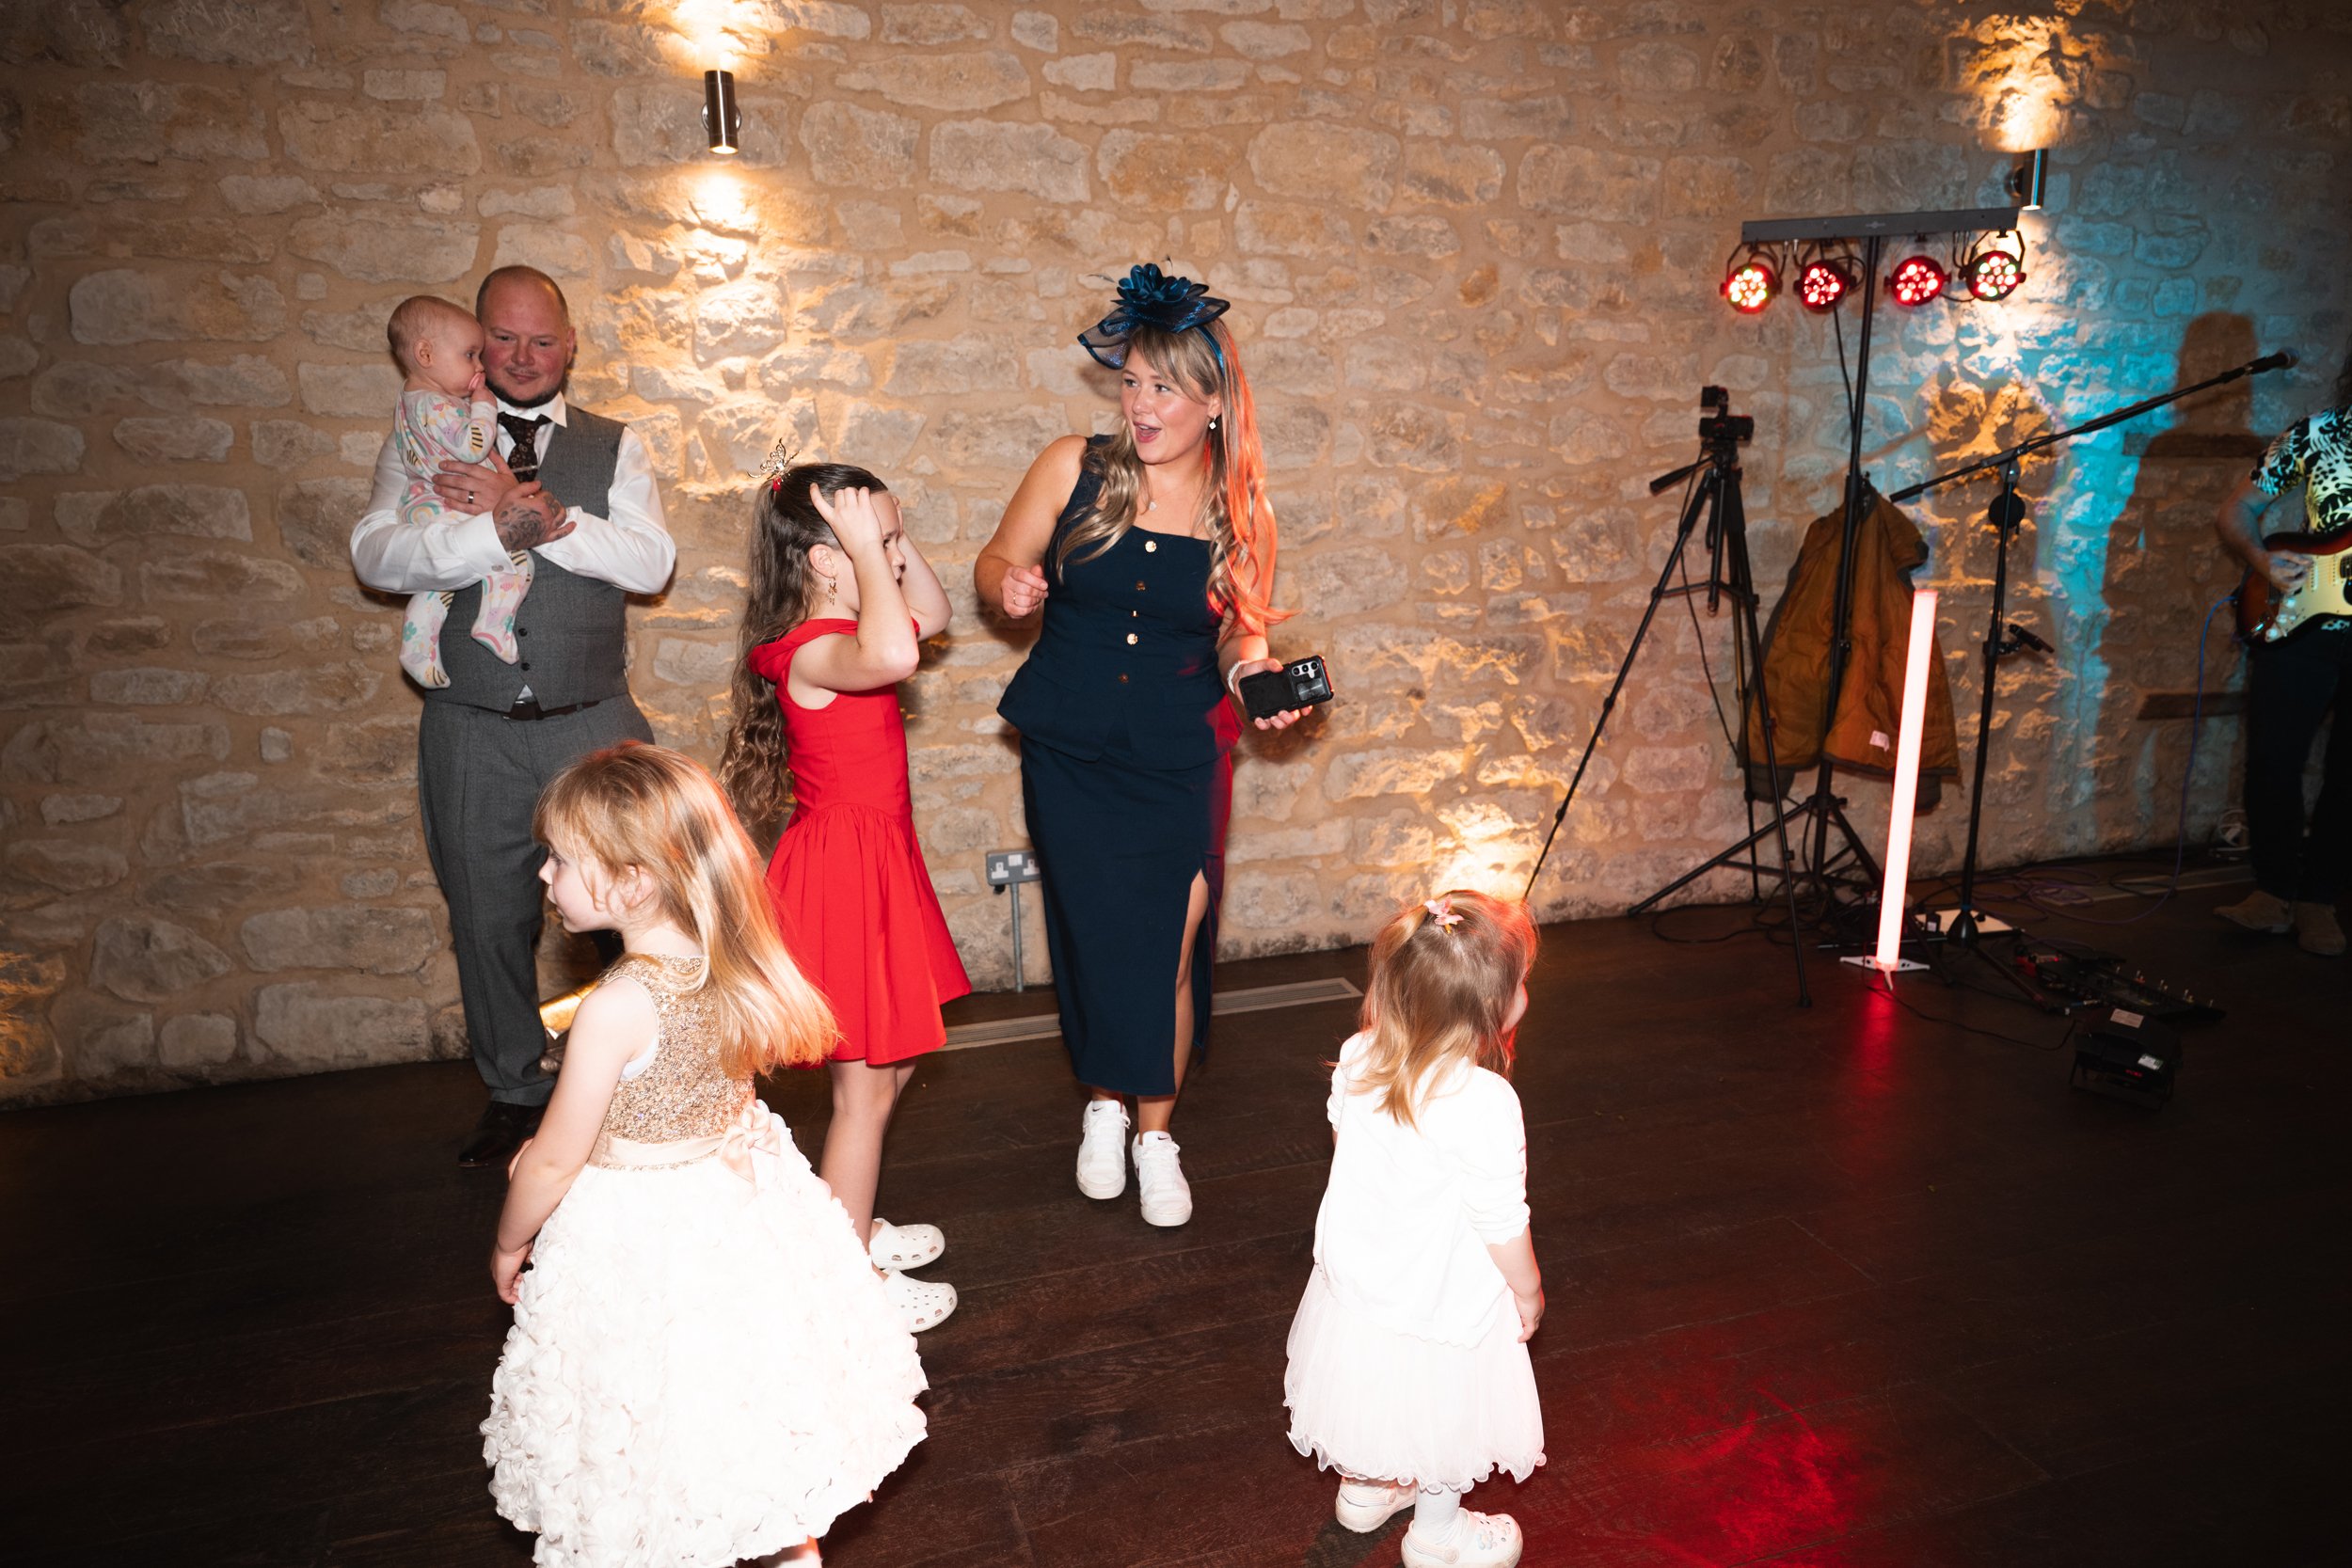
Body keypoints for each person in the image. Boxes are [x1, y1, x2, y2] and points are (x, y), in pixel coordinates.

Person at [481, 742, 926, 1568]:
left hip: (644, 1247)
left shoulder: (615, 1007)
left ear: (632, 880)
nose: (545, 874)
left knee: (649, 1431)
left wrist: (511, 1240)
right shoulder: (731, 961)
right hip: (738, 1224)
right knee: (746, 1421)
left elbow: (552, 1161)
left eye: (562, 859)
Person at [974, 263, 1310, 1227]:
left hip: (1178, 755)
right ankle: (1103, 1104)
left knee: (1170, 939)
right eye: (1131, 382)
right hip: (1070, 747)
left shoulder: (1241, 512)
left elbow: (1242, 638)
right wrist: (1008, 585)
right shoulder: (1071, 466)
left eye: (1164, 387)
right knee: (1094, 934)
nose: (1141, 403)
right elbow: (995, 561)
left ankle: (1155, 1132)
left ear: (1214, 402)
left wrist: (1255, 681)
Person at [349, 264, 676, 1166]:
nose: (524, 357)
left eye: (542, 341)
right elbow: (377, 554)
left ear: (570, 346)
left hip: (593, 718)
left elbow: (649, 563)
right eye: (503, 338)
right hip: (469, 724)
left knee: (640, 904)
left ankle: (647, 1076)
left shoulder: (615, 445)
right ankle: (516, 1090)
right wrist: (489, 534)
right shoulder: (423, 433)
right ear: (473, 343)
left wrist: (531, 511)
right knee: (486, 913)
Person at [718, 464, 969, 1333]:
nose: (895, 556)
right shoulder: (815, 650)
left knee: (887, 1070)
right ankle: (844, 1278)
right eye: (878, 544)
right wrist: (871, 546)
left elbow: (933, 616)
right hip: (846, 881)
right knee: (863, 1092)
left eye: (895, 540)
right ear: (827, 561)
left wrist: (883, 541)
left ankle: (844, 1215)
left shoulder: (850, 628)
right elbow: (899, 652)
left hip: (876, 865)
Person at [1284, 891, 1546, 1568]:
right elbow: (1501, 1220)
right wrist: (1527, 1291)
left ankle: (1368, 1488)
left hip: (1362, 1270)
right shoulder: (1485, 1101)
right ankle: (1438, 1534)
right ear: (1492, 1006)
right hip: (1440, 1291)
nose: (1525, 991)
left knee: (1374, 1378)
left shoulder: (1359, 1053)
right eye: (1521, 981)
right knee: (1444, 1405)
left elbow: (1348, 1145)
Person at [2214, 347, 2352, 958]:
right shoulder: (2319, 434)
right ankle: (2272, 891)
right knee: (2273, 757)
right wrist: (2263, 561)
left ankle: (2320, 900)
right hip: (2304, 619)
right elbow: (2236, 509)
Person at [378, 295, 528, 690]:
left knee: (437, 585)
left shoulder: (410, 399)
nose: (480, 366)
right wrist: (484, 407)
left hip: (424, 506)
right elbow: (472, 446)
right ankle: (493, 623)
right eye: (469, 355)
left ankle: (418, 649)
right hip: (446, 506)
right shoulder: (436, 405)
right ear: (425, 354)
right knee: (517, 560)